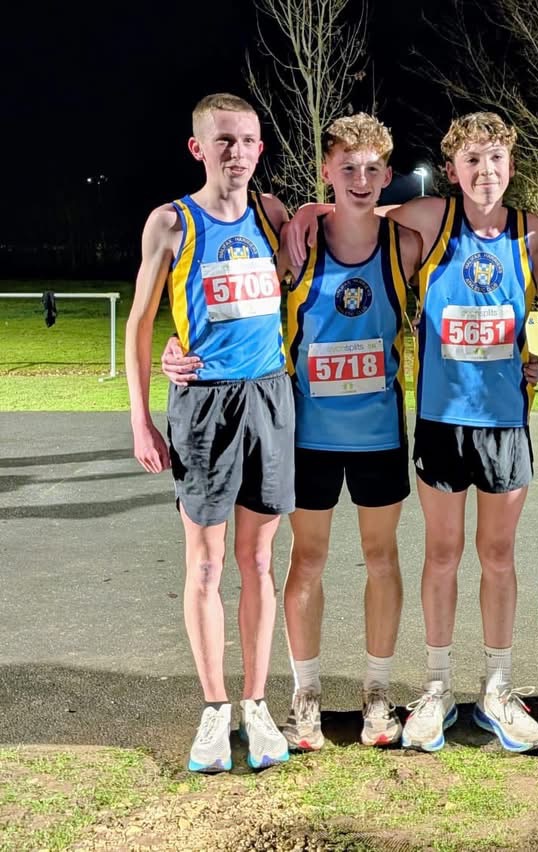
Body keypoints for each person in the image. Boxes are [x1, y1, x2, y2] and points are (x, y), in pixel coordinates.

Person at [286, 112, 538, 752]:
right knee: (441, 554)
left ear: (511, 165)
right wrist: (309, 210)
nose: (485, 172)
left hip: (504, 422)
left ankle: (497, 687)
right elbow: (362, 211)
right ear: (451, 171)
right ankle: (435, 687)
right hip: (438, 422)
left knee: (498, 556)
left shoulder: (533, 233)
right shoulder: (429, 220)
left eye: (496, 159)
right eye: (472, 161)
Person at [126, 93, 292, 773]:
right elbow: (140, 323)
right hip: (204, 406)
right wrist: (140, 417)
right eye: (224, 140)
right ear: (198, 148)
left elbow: (349, 217)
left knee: (260, 562)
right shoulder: (172, 222)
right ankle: (215, 708)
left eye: (248, 140)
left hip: (269, 398)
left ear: (260, 147)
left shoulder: (274, 215)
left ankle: (257, 703)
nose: (237, 152)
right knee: (205, 564)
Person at [277, 114, 421, 751]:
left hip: (378, 434)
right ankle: (305, 695)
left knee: (381, 559)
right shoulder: (298, 244)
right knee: (306, 559)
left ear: (387, 176)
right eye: (347, 168)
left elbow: (465, 219)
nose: (360, 180)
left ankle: (377, 694)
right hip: (309, 434)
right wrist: (307, 212)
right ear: (327, 172)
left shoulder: (405, 244)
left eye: (372, 169)